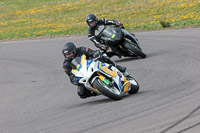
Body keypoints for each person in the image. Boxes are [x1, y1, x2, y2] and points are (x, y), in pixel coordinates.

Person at [62, 42, 131, 99]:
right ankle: (100, 90)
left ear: (74, 50)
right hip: (84, 74)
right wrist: (75, 80)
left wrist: (95, 54)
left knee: (103, 57)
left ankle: (117, 67)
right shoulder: (66, 65)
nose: (68, 56)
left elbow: (92, 52)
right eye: (66, 55)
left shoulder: (82, 49)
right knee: (81, 93)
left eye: (70, 54)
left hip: (93, 64)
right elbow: (71, 76)